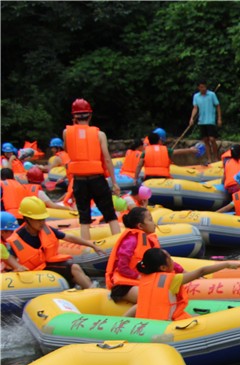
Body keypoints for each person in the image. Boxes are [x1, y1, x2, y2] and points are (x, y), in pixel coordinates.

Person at [62, 98, 120, 240]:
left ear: (74, 117)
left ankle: (87, 247)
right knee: (110, 215)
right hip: (97, 179)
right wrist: (114, 182)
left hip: (79, 180)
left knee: (84, 218)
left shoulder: (66, 133)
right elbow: (107, 159)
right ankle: (118, 242)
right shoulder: (100, 134)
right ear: (90, 116)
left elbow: (67, 150)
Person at [132, 247, 240, 320]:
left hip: (148, 325)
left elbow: (139, 305)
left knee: (196, 316)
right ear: (163, 268)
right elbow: (201, 271)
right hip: (167, 325)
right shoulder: (173, 280)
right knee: (203, 319)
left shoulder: (145, 279)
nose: (173, 261)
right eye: (170, 259)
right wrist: (226, 264)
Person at [8, 196, 97, 288]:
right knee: (74, 268)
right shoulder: (19, 237)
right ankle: (91, 290)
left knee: (77, 273)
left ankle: (91, 290)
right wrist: (18, 266)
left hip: (47, 266)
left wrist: (91, 245)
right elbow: (9, 256)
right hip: (34, 272)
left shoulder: (46, 229)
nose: (42, 223)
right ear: (27, 219)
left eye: (43, 219)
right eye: (38, 220)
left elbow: (69, 237)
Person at [105, 206, 181, 305]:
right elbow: (122, 267)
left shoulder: (149, 241)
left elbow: (164, 261)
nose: (154, 223)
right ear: (140, 226)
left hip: (144, 281)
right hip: (125, 285)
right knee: (152, 299)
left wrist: (182, 271)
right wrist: (138, 277)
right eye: (150, 220)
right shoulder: (130, 242)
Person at [189, 81, 221, 163]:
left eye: (204, 87)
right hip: (201, 121)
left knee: (212, 139)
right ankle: (209, 159)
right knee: (206, 140)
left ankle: (216, 157)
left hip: (210, 120)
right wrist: (192, 118)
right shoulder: (196, 96)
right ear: (199, 88)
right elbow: (195, 108)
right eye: (201, 87)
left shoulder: (212, 95)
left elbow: (217, 106)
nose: (203, 89)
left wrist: (219, 118)